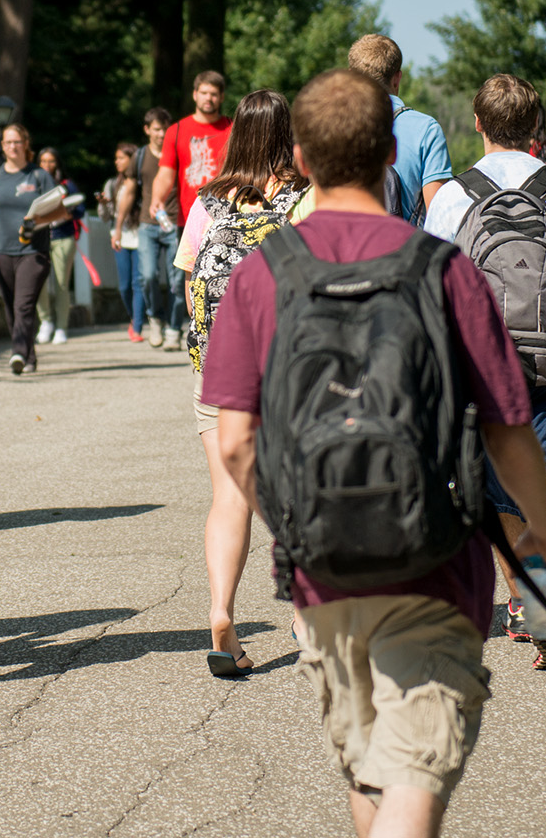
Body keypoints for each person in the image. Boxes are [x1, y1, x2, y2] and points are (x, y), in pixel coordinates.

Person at [203, 68, 546, 838]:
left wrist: (300, 521)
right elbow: (507, 428)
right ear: (392, 151)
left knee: (371, 769)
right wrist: (541, 539)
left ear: (298, 157)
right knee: (411, 780)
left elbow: (234, 440)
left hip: (323, 576)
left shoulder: (262, 275)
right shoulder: (445, 270)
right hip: (431, 565)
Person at [423, 73, 546, 670]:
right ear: (537, 128)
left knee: (500, 485)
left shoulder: (453, 197)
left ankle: (522, 598)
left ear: (477, 124)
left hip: (482, 364)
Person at [171, 89, 310, 675]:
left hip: (218, 370)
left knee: (229, 495)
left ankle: (221, 613)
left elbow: (188, 286)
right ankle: (307, 620)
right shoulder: (305, 199)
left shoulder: (208, 201)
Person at [0, 123, 69, 374]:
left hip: (34, 252)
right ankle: (28, 356)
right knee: (12, 305)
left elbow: (61, 211)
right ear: (3, 147)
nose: (13, 146)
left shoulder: (38, 175)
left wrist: (36, 222)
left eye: (17, 142)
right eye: (8, 142)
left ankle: (18, 351)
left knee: (23, 304)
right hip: (1, 252)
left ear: (25, 144)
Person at [150, 72, 232, 350]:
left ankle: (217, 330)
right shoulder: (177, 131)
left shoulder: (232, 128)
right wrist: (157, 198)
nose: (209, 98)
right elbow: (165, 173)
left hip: (226, 218)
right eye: (204, 92)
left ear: (221, 97)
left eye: (214, 93)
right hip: (189, 219)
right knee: (182, 276)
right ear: (195, 94)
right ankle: (180, 325)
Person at [346, 33, 452, 223]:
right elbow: (438, 219)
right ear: (397, 79)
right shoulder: (426, 130)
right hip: (405, 248)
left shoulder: (331, 126)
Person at [133, 108, 184, 349]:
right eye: (156, 129)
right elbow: (130, 189)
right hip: (147, 224)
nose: (161, 134)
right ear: (147, 130)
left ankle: (174, 328)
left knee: (177, 279)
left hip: (174, 222)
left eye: (165, 128)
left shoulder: (179, 153)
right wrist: (119, 224)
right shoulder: (140, 156)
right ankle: (155, 317)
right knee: (148, 275)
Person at [34, 146, 84, 347]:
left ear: (58, 163)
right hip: (40, 239)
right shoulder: (34, 184)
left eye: (51, 161)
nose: (47, 165)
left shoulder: (66, 184)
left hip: (63, 238)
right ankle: (45, 321)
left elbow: (79, 208)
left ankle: (62, 327)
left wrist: (63, 215)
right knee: (38, 283)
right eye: (43, 161)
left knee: (62, 283)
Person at [104, 142, 146, 342]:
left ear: (132, 159)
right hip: (120, 236)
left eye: (121, 158)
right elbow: (106, 217)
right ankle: (133, 317)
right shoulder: (112, 184)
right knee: (124, 286)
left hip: (140, 235)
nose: (117, 162)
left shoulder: (143, 183)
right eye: (116, 158)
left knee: (139, 282)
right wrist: (103, 205)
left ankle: (137, 327)